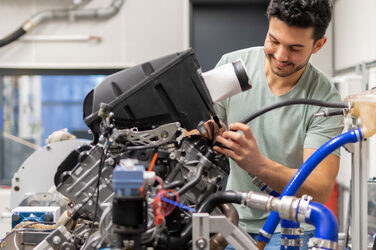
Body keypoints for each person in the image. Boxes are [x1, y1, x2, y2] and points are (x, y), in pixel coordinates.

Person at [207, 0, 343, 249]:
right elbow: (201, 128)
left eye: (295, 48)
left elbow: (320, 190)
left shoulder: (326, 100)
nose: (280, 56)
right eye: (273, 40)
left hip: (290, 228)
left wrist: (257, 164)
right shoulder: (232, 66)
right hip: (230, 217)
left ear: (318, 45)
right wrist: (207, 133)